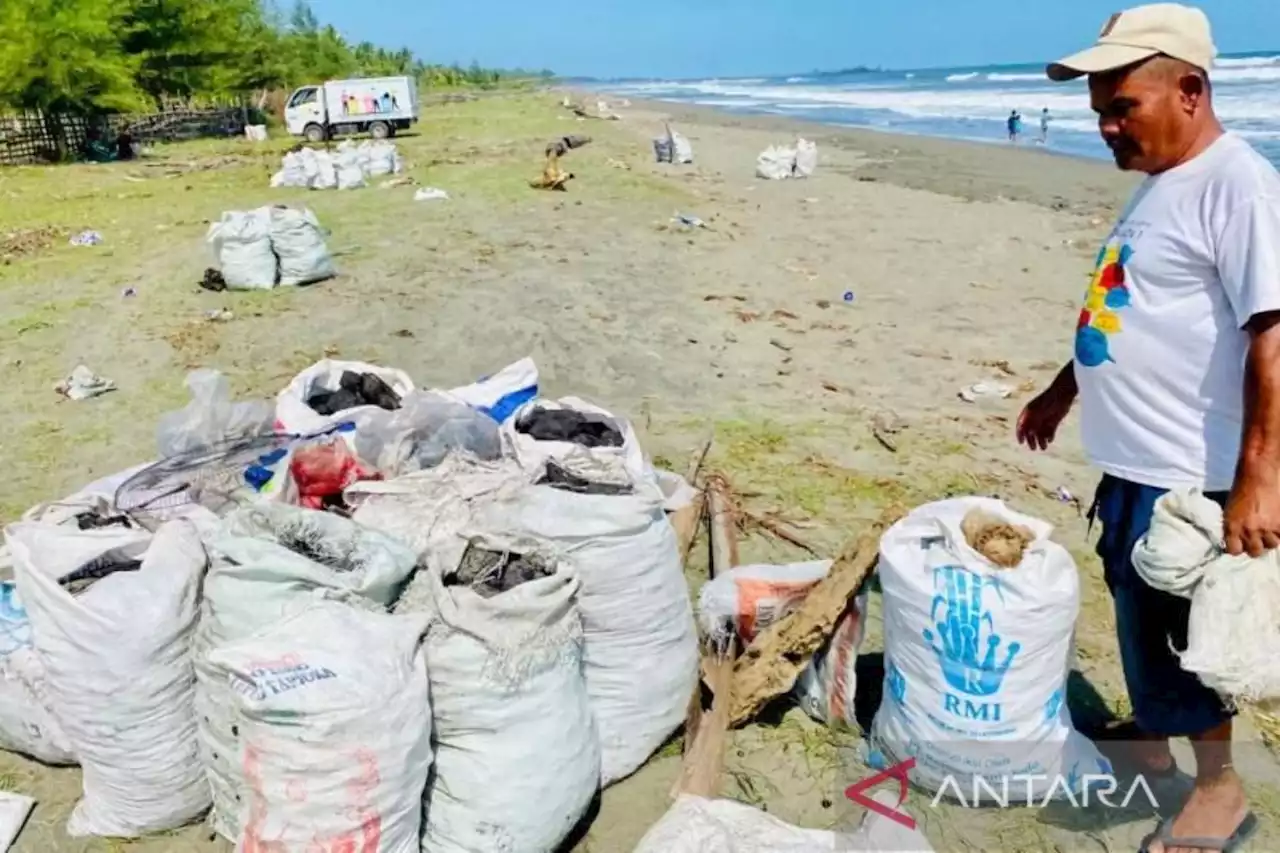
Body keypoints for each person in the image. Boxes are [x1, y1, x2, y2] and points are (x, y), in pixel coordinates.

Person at [1021, 4, 1280, 852]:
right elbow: (1127, 310)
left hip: (1190, 471)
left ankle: (1219, 793)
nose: (1105, 125)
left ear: (1191, 91)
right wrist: (1065, 388)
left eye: (1121, 105)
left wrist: (1259, 477)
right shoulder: (1162, 185)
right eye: (1101, 107)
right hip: (1134, 462)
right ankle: (1158, 755)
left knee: (1181, 636)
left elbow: (1271, 335)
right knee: (1137, 611)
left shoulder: (1238, 184)